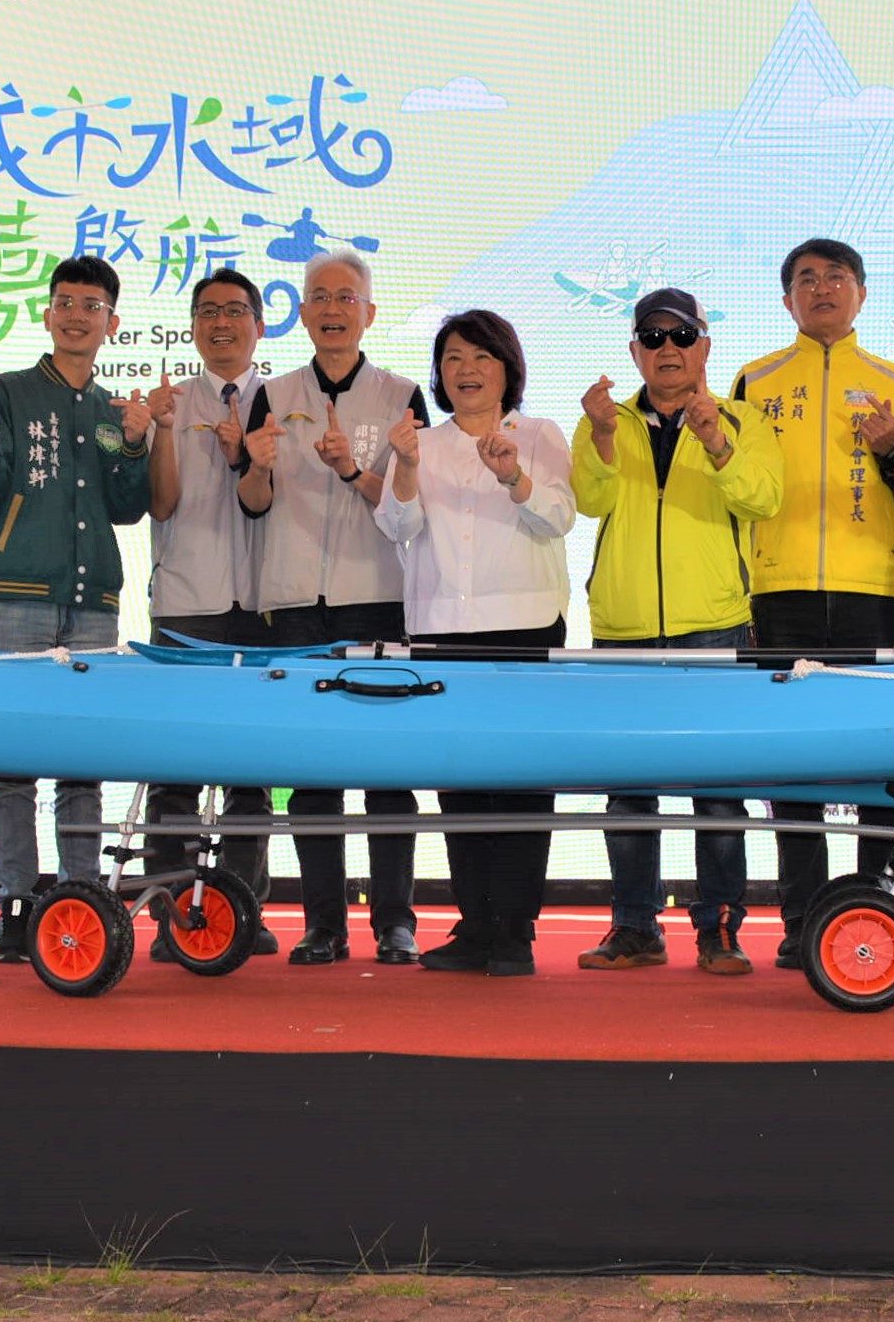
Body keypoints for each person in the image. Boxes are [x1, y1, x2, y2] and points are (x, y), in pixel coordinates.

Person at [570, 287, 783, 975]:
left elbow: (764, 498)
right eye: (653, 336)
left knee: (717, 790)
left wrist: (716, 440)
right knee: (628, 789)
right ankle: (634, 926)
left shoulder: (744, 420)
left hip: (714, 626)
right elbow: (590, 499)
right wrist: (603, 436)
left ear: (704, 346)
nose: (668, 348)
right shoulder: (604, 418)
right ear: (635, 350)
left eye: (681, 335)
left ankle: (719, 928)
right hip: (623, 626)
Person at [0, 257, 154, 965]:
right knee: (11, 760)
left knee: (82, 760)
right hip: (16, 595)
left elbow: (127, 508)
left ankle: (80, 896)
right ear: (46, 313)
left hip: (95, 601)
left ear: (112, 323)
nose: (76, 315)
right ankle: (15, 901)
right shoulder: (7, 392)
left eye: (91, 305)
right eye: (65, 302)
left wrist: (136, 443)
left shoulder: (113, 411)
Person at [731, 239, 894, 971]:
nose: (822, 289)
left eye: (836, 277)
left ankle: (877, 906)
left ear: (861, 293)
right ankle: (802, 918)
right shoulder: (754, 381)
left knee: (883, 753)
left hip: (875, 588)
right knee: (793, 763)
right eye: (806, 280)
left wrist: (893, 447)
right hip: (779, 591)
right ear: (786, 299)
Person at [237, 249, 430, 966]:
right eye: (319, 296)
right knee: (312, 775)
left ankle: (395, 922)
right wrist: (258, 466)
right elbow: (252, 503)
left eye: (345, 297)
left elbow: (413, 507)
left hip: (377, 599)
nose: (331, 309)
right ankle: (323, 924)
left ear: (369, 313)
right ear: (302, 312)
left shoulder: (402, 395)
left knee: (388, 773)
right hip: (294, 604)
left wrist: (351, 469)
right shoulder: (273, 392)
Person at [375, 311, 576, 976]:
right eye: (454, 357)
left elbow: (558, 518)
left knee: (521, 784)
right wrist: (406, 465)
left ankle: (514, 932)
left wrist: (513, 476)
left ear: (507, 368)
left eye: (482, 356)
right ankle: (476, 924)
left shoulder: (538, 434)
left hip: (524, 626)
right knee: (458, 784)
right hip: (440, 630)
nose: (467, 369)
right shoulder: (420, 443)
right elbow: (397, 526)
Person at [135, 268, 278, 958]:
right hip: (186, 605)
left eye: (235, 311)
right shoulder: (171, 402)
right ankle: (174, 918)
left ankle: (238, 914)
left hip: (266, 606)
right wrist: (162, 430)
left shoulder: (283, 402)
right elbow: (160, 504)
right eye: (208, 312)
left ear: (260, 324)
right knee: (175, 771)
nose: (222, 323)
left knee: (251, 775)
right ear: (192, 326)